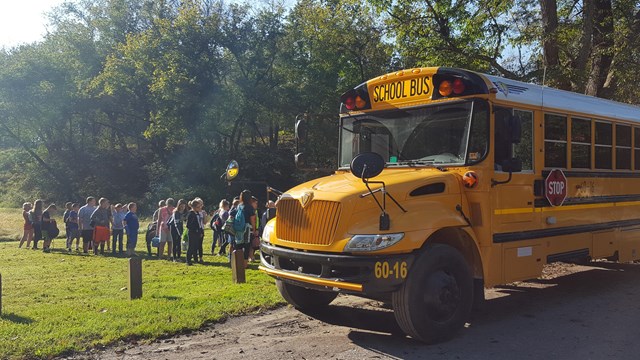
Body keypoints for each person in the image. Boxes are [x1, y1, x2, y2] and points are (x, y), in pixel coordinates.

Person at [234, 190, 257, 268]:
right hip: (247, 228)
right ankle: (244, 264)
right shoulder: (249, 207)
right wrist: (254, 229)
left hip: (239, 227)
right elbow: (253, 219)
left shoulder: (239, 206)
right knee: (246, 246)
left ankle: (237, 262)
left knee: (238, 245)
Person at [185, 199, 204, 266]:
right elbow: (188, 225)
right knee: (191, 246)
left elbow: (199, 224)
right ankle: (188, 260)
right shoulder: (191, 214)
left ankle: (196, 259)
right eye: (198, 207)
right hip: (192, 232)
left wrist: (200, 231)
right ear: (194, 207)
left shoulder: (198, 213)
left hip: (197, 232)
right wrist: (195, 229)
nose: (199, 208)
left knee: (196, 246)